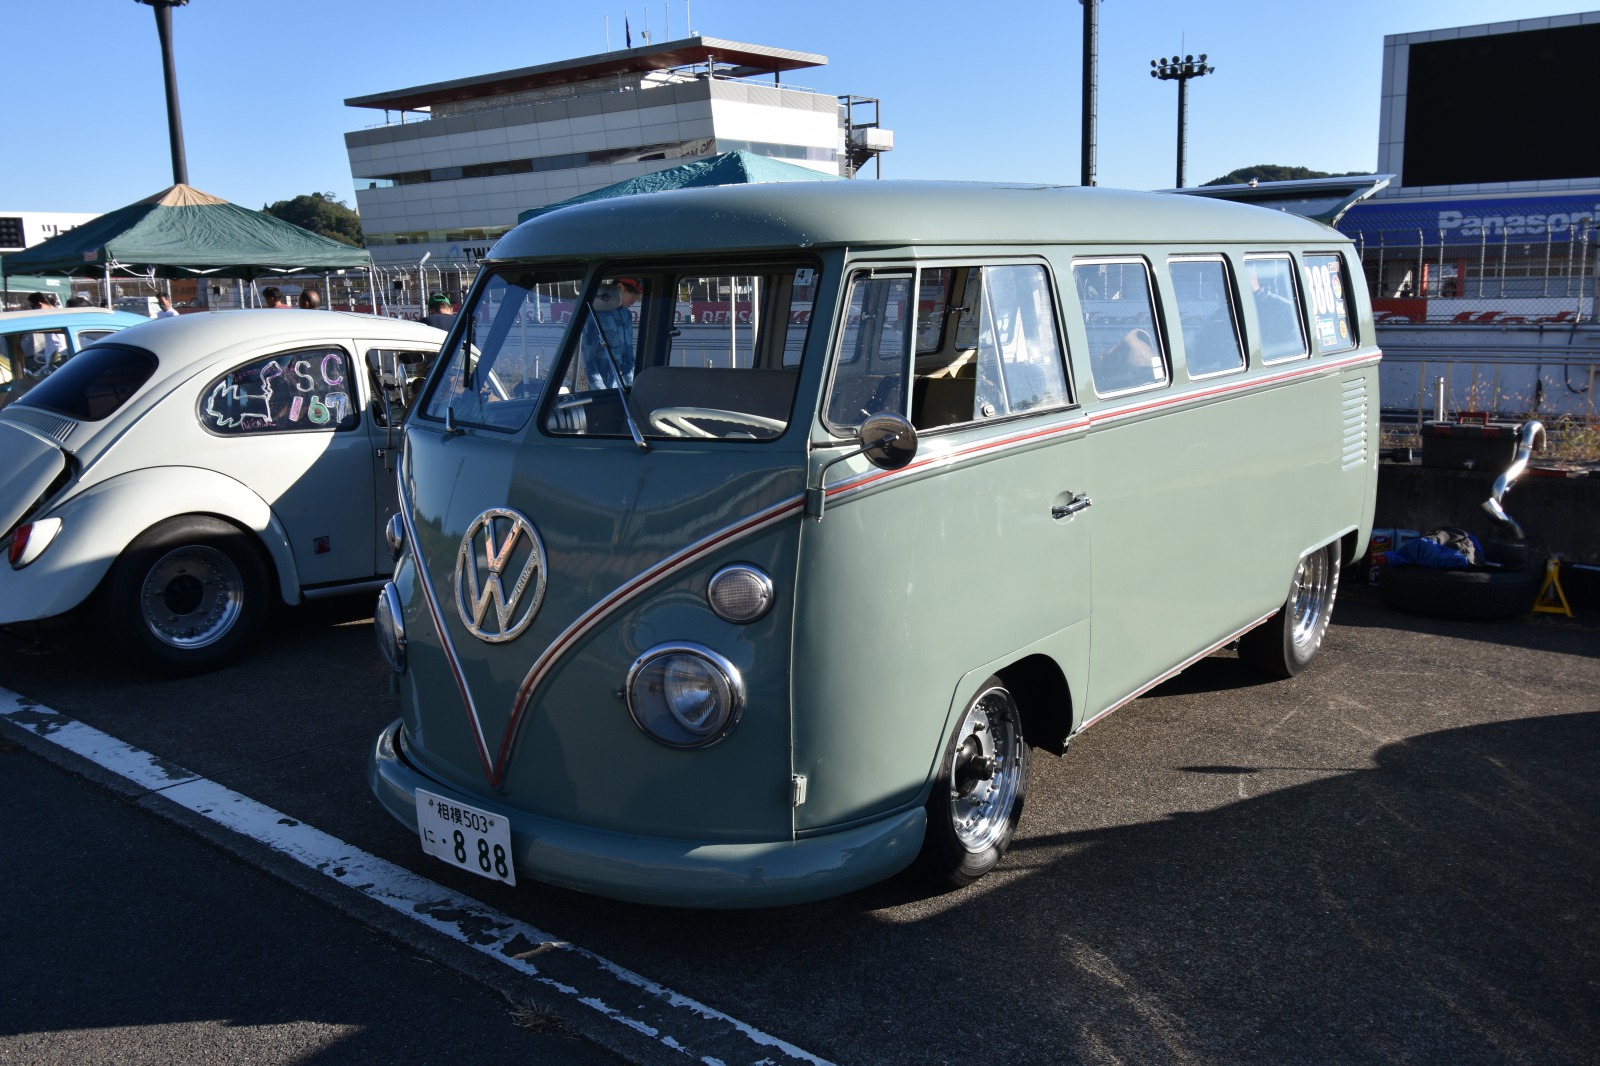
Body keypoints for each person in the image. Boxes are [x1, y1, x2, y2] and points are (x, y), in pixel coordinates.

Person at [580, 278, 642, 390]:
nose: (636, 298)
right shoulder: (593, 316)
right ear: (620, 287)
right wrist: (599, 391)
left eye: (638, 294)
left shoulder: (626, 314)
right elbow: (589, 359)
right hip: (607, 390)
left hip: (629, 386)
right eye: (633, 292)